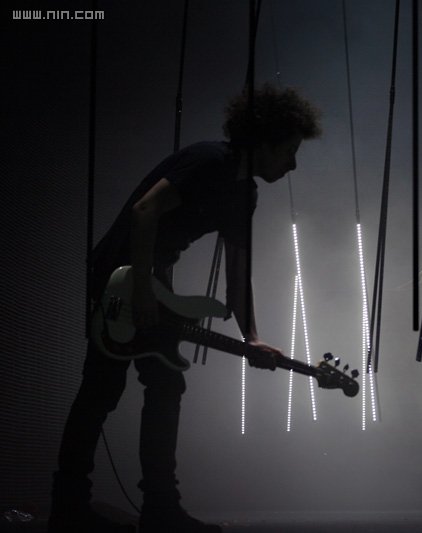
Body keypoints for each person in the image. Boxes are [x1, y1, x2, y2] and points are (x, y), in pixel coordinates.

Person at [48, 83, 321, 533]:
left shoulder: (245, 195)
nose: (292, 164)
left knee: (165, 384)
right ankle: (70, 506)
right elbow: (144, 212)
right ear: (264, 140)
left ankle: (160, 508)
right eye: (289, 151)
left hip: (154, 281)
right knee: (102, 388)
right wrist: (140, 288)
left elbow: (238, 274)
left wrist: (252, 338)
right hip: (121, 274)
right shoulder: (208, 161)